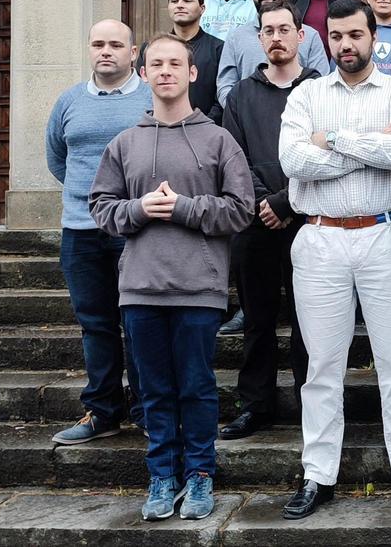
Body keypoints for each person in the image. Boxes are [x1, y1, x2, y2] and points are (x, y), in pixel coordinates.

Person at [89, 32, 254, 521]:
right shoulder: (125, 142)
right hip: (140, 288)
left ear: (192, 73)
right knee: (154, 390)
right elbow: (100, 206)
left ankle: (200, 475)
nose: (165, 71)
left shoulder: (218, 139)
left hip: (198, 288)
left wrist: (183, 208)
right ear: (144, 73)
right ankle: (162, 476)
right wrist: (139, 209)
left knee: (197, 388)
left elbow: (240, 209)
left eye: (174, 63)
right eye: (156, 63)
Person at [278, 0, 391, 520]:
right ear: (327, 39)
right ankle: (318, 475)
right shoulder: (306, 96)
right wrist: (369, 146)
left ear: (373, 36)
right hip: (320, 239)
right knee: (321, 367)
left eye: (355, 36)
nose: (346, 45)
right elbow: (294, 160)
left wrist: (336, 141)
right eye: (337, 36)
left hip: (387, 236)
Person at [45, 19, 151, 446]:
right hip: (80, 230)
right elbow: (58, 159)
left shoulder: (149, 97)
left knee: (139, 321)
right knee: (96, 324)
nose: (105, 51)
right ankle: (102, 412)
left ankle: (147, 410)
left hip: (134, 230)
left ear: (132, 52)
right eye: (98, 44)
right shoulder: (69, 101)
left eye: (115, 44)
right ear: (89, 50)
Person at [218, 0, 320, 441]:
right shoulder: (242, 94)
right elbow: (232, 159)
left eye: (284, 29)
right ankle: (255, 405)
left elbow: (323, 154)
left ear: (301, 36)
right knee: (258, 321)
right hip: (253, 224)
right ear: (259, 39)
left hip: (309, 221)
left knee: (309, 322)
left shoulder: (320, 89)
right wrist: (264, 203)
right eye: (268, 31)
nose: (276, 37)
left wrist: (286, 202)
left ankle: (310, 405)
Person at [216, 0, 330, 107]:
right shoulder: (236, 37)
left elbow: (321, 83)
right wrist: (241, 113)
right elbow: (225, 85)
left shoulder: (310, 35)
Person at [138, 0, 225, 124]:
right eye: (174, 0)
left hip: (205, 131)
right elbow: (142, 92)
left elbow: (221, 98)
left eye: (187, 0)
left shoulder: (219, 48)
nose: (179, 5)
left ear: (202, 8)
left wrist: (204, 125)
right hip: (159, 129)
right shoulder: (151, 49)